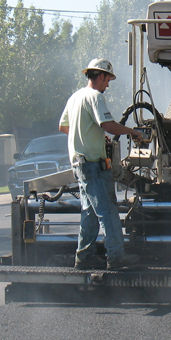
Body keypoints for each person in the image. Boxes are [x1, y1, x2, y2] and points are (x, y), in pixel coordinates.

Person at [59, 58, 144, 271]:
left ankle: (84, 256)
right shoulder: (95, 96)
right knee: (107, 210)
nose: (108, 85)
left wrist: (93, 137)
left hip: (80, 165)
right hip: (93, 165)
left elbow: (64, 127)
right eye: (108, 80)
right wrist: (133, 132)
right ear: (101, 76)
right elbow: (108, 125)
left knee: (89, 212)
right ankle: (116, 257)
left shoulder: (74, 97)